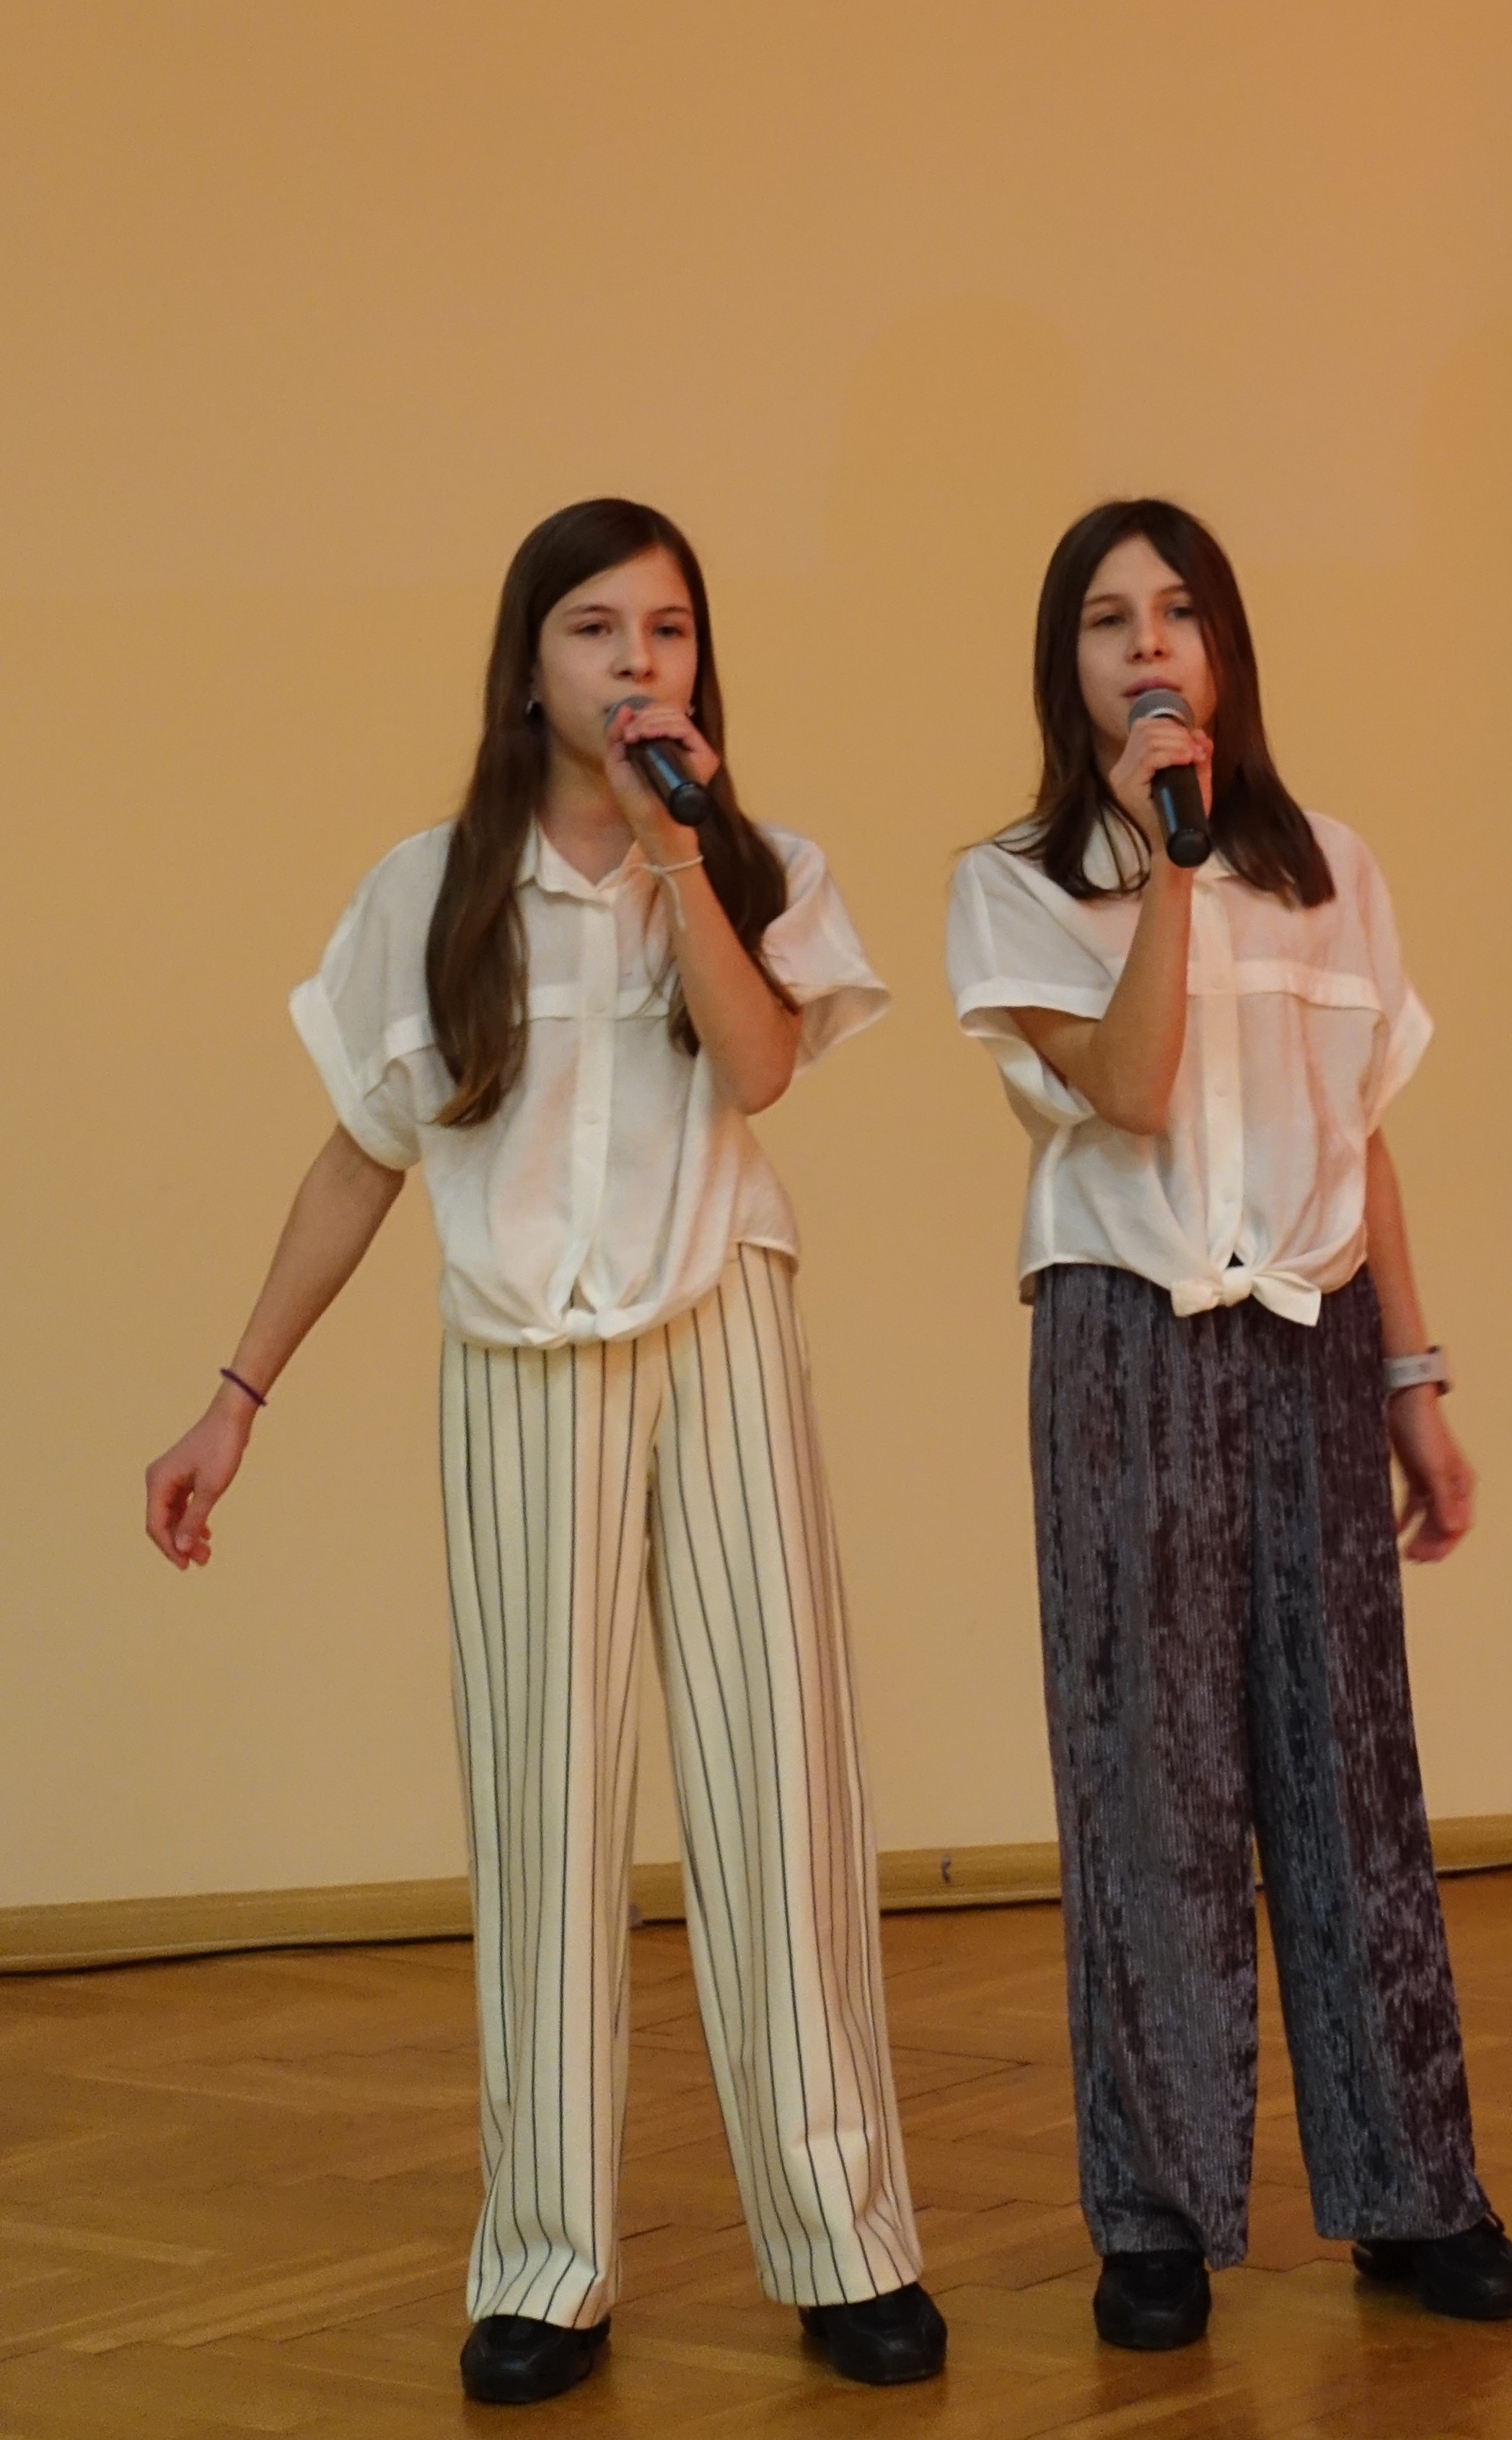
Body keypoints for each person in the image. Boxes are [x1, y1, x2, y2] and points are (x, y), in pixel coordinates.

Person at [144, 499, 945, 2406]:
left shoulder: (755, 863)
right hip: (517, 1362)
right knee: (543, 1801)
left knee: (779, 1786)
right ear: (529, 667)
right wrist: (235, 1395)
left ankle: (846, 2248)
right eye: (596, 629)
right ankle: (545, 2267)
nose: (636, 660)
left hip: (722, 1324)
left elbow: (761, 1070)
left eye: (666, 628)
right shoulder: (430, 889)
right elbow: (364, 1157)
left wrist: (681, 854)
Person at [945, 495, 1512, 2353]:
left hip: (1314, 1334)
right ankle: (1158, 2216)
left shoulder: (1337, 866)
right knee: (1151, 1779)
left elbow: (1366, 1137)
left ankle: (1415, 2190)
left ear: (1225, 649)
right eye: (1109, 620)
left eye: (1179, 612)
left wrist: (1415, 1382)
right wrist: (1169, 873)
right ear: (1070, 671)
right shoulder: (1018, 881)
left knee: (1350, 1766)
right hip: (1124, 1338)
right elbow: (1128, 1092)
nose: (1149, 644)